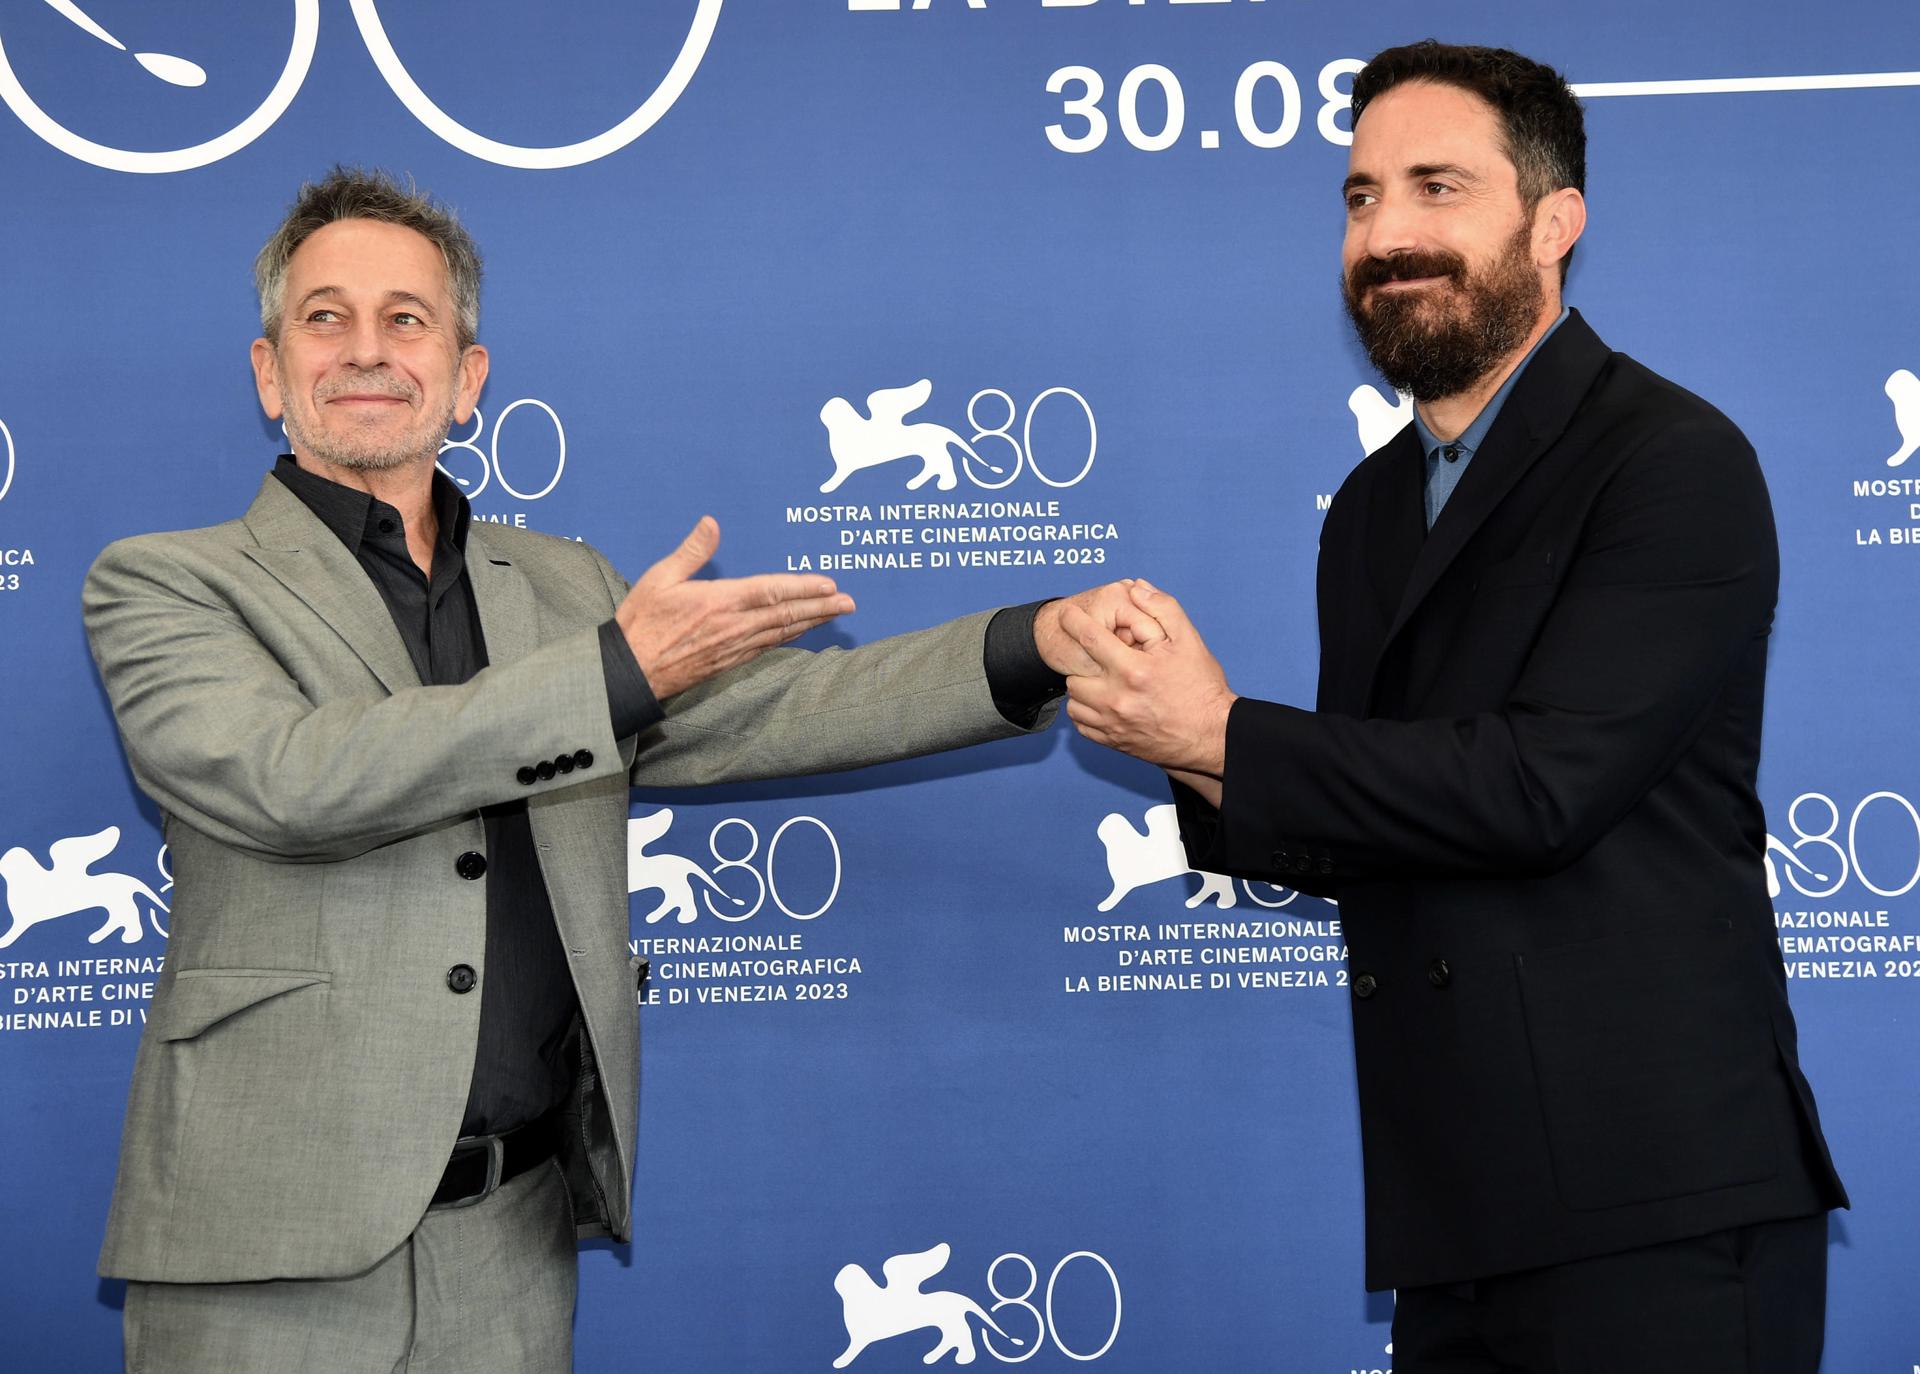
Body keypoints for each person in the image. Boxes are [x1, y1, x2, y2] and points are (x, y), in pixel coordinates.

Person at [83, 166, 1141, 1373]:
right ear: (271, 371)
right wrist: (612, 675)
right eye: (326, 317)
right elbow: (289, 777)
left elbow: (783, 707)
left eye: (408, 319)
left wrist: (1030, 641)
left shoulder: (562, 587)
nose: (367, 350)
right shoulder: (165, 580)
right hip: (265, 1252)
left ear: (468, 377)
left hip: (513, 1246)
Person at [1056, 40, 1847, 1373]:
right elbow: (1360, 812)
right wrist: (1183, 746)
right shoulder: (1371, 508)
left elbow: (1541, 787)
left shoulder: (1673, 460)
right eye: (1362, 198)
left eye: (1438, 189)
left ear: (1555, 222)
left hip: (1656, 1206)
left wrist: (1222, 735)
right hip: (1453, 1215)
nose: (1389, 234)